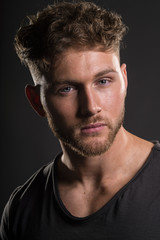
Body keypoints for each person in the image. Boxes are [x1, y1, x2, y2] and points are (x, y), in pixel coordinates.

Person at [1, 1, 160, 239]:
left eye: (103, 81)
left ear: (124, 80)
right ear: (37, 101)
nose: (90, 107)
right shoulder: (21, 210)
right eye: (67, 88)